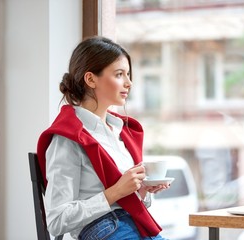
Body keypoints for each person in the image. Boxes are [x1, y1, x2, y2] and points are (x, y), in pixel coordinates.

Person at [37, 36, 170, 240]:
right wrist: (115, 192)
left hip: (132, 225)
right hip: (103, 230)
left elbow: (122, 198)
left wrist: (141, 190)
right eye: (119, 74)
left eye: (128, 74)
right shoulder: (68, 138)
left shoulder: (118, 131)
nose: (129, 82)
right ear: (90, 79)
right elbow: (56, 221)